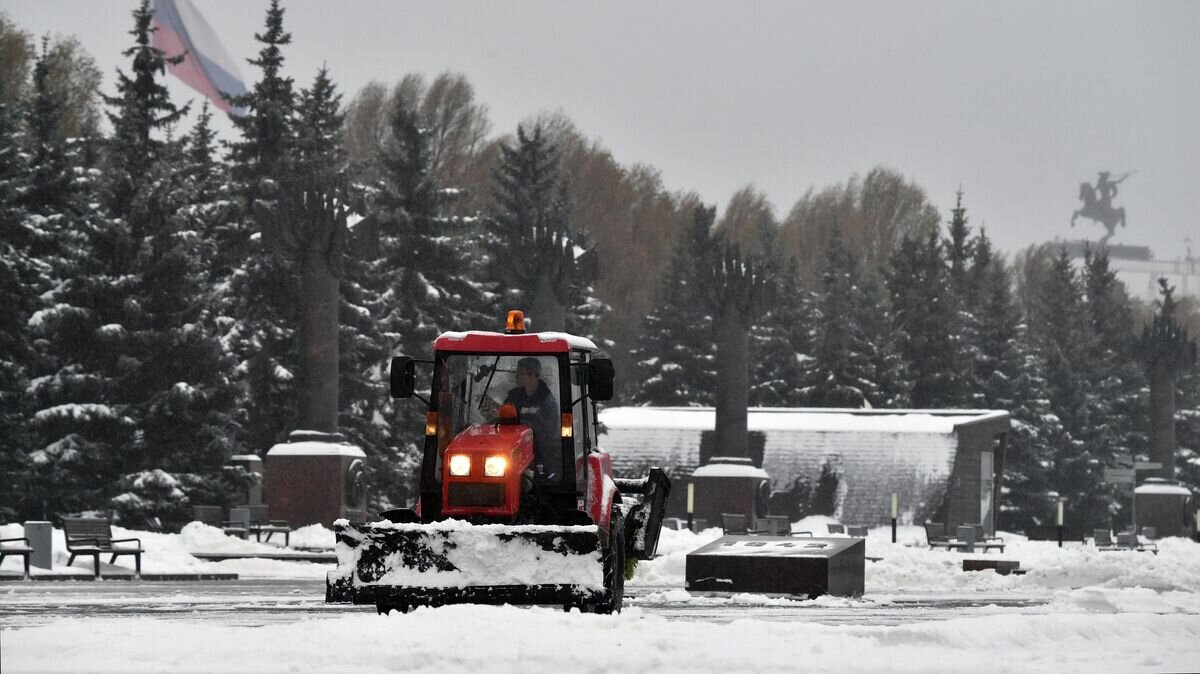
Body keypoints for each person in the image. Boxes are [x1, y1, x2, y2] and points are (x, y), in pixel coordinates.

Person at [502, 357, 561, 479]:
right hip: (511, 451)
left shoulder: (547, 401)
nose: (516, 377)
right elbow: (503, 418)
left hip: (540, 455)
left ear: (532, 375)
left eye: (519, 374)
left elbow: (548, 433)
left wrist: (522, 424)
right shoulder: (513, 397)